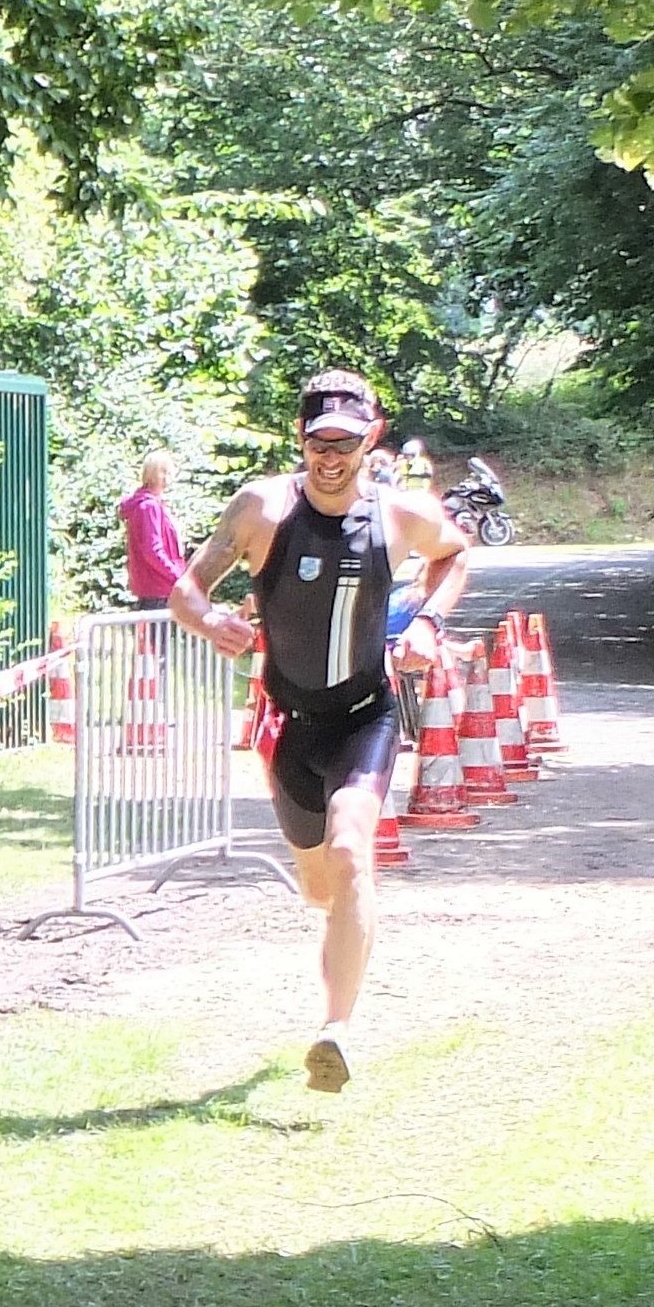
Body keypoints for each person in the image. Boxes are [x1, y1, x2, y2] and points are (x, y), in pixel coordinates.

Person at [169, 368, 472, 1092]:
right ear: (300, 439)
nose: (330, 459)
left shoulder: (401, 514)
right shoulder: (262, 508)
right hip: (288, 726)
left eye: (344, 444)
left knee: (350, 850)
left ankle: (334, 1031)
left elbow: (455, 553)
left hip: (365, 716)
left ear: (371, 439)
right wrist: (209, 621)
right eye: (317, 444)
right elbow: (186, 587)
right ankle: (344, 926)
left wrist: (427, 623)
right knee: (319, 885)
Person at [118, 451, 185, 610]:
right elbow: (152, 551)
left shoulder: (151, 504)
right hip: (159, 590)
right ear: (150, 474)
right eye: (162, 471)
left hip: (158, 588)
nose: (166, 477)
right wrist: (178, 576)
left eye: (168, 471)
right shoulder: (149, 506)